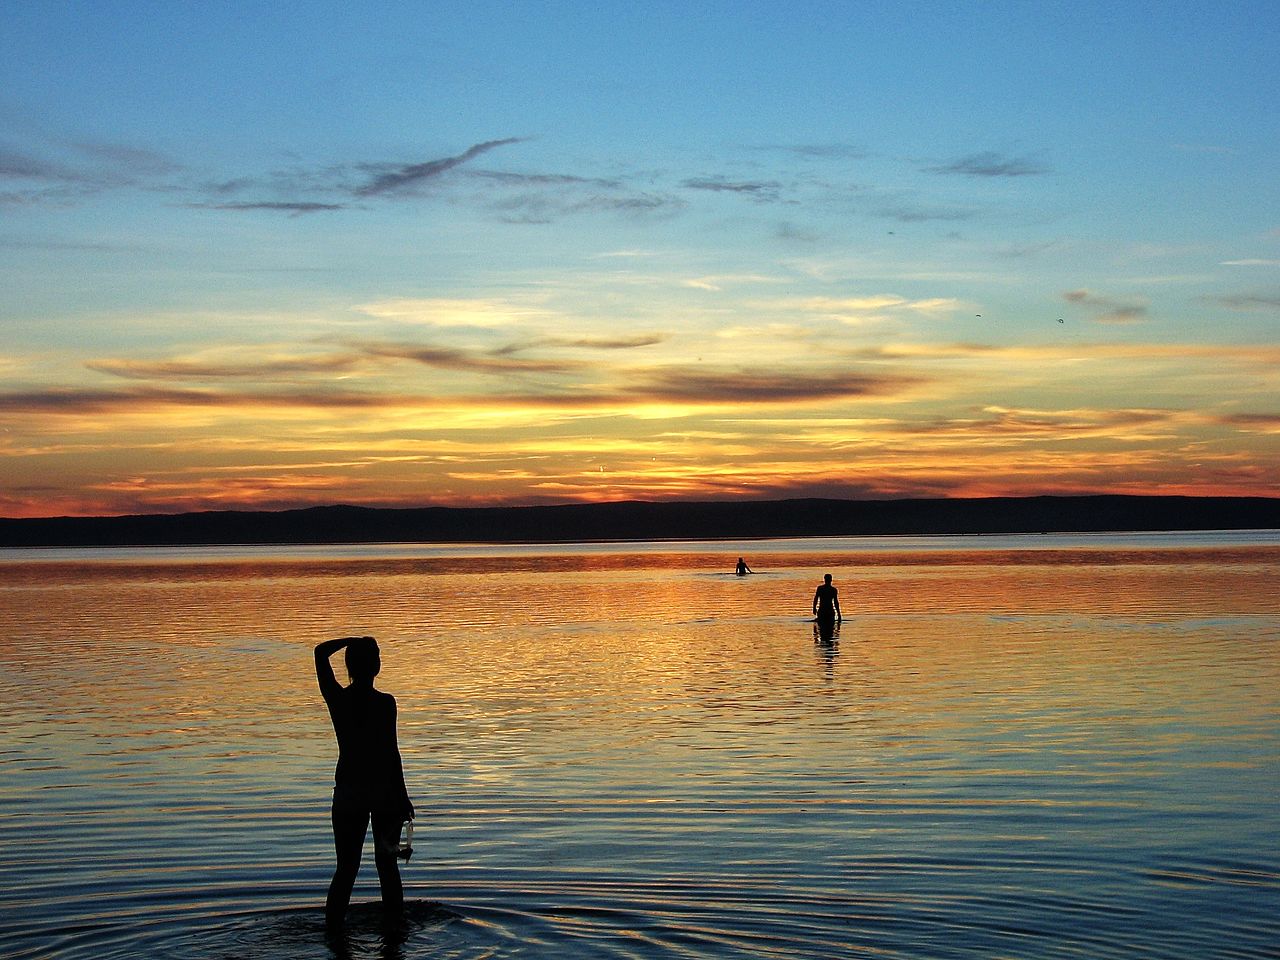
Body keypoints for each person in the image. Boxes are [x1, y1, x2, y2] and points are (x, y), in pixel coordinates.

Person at [315, 635, 415, 927]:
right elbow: (390, 752)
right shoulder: (385, 704)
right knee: (387, 867)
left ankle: (333, 932)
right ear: (377, 667)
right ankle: (395, 933)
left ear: (349, 667)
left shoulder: (339, 700)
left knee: (346, 868)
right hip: (384, 793)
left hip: (349, 793)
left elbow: (320, 652)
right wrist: (402, 795)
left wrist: (350, 640)